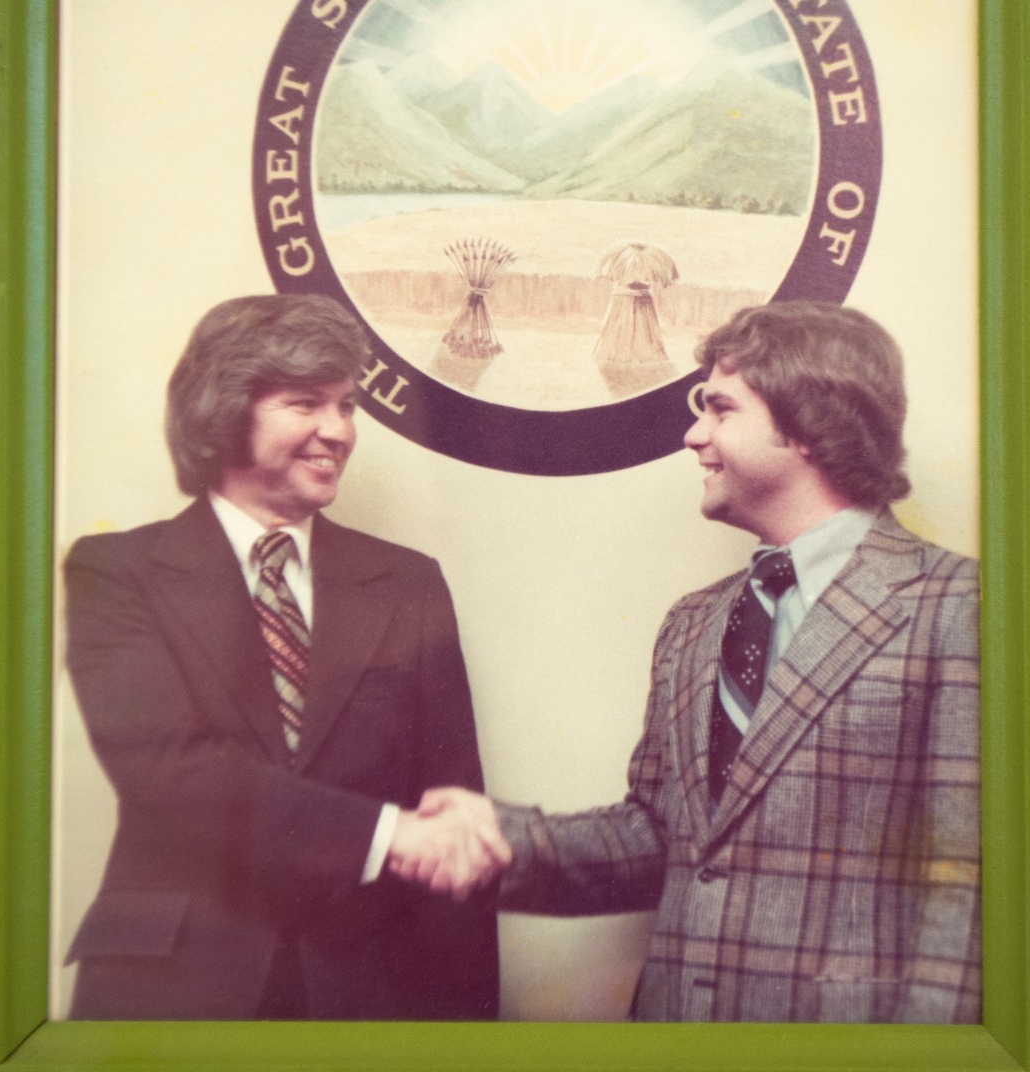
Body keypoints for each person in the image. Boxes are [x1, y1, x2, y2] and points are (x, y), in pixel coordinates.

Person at [392, 301, 981, 1024]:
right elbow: (661, 839)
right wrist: (499, 842)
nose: (694, 434)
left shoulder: (960, 606)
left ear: (808, 424)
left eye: (720, 408)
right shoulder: (696, 623)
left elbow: (970, 880)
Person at [62, 293, 507, 1021]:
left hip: (370, 993)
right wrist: (387, 834)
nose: (338, 431)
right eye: (306, 403)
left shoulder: (408, 582)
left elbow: (451, 809)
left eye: (347, 406)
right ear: (224, 410)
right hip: (172, 993)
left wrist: (470, 1036)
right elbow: (170, 772)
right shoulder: (116, 572)